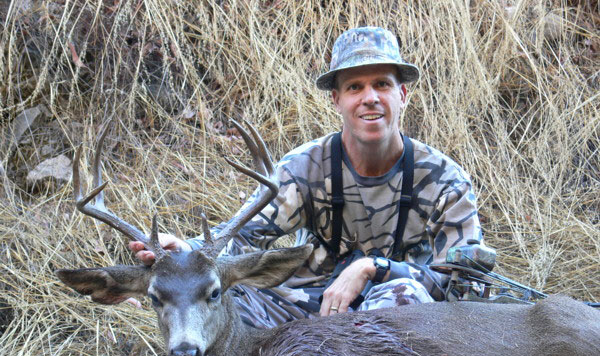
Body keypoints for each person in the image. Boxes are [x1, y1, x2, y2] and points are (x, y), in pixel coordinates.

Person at [130, 27, 482, 328]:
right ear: (337, 100)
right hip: (307, 309)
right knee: (225, 297)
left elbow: (467, 285)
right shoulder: (303, 168)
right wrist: (187, 252)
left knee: (406, 298)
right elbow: (242, 240)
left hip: (392, 318)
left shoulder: (444, 181)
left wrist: (374, 268)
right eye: (355, 87)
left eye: (381, 84)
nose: (370, 98)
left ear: (401, 94)